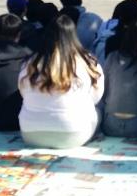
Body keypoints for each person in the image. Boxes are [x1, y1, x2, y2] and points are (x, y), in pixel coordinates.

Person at [18, 15, 104, 148]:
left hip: (31, 132)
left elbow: (24, 93)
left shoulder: (30, 62)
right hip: (73, 134)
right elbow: (95, 98)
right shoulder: (88, 62)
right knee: (98, 112)